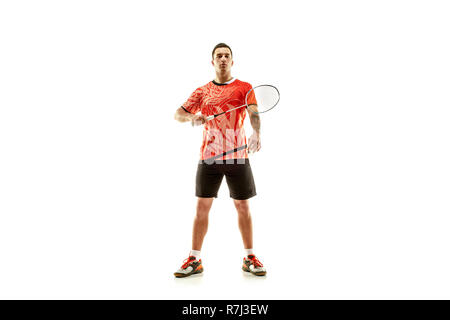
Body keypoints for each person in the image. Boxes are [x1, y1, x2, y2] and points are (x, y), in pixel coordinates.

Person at [173, 43, 266, 277]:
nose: (223, 59)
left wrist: (256, 132)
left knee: (242, 206)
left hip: (237, 154)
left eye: (227, 56)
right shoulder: (202, 91)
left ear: (232, 61)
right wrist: (193, 117)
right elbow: (178, 114)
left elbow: (253, 113)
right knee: (202, 207)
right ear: (212, 62)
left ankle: (249, 256)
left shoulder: (245, 87)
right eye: (218, 56)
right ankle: (194, 259)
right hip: (209, 155)